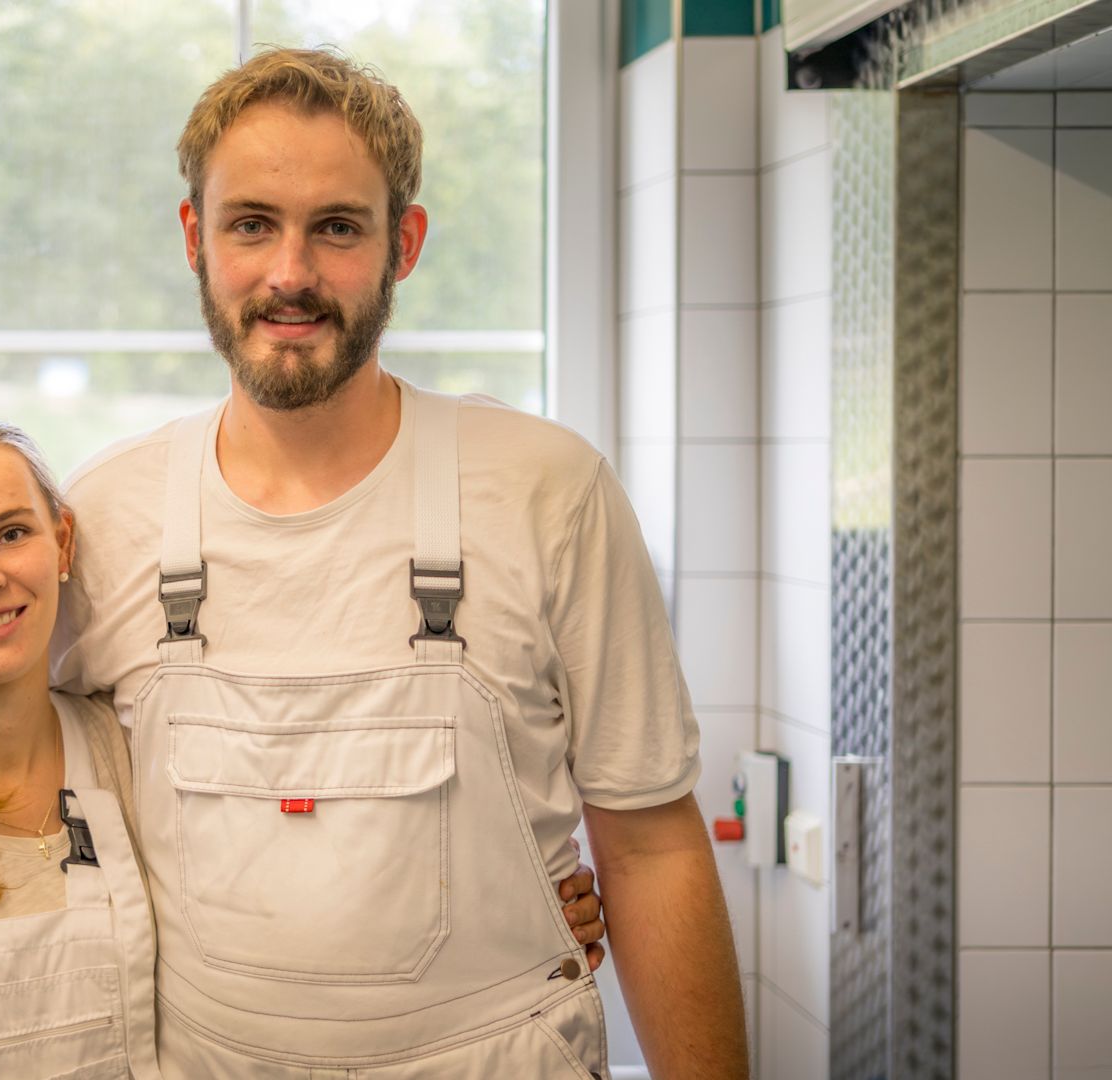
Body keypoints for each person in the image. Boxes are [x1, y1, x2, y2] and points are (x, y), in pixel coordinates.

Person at [51, 48, 749, 1078]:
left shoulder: (547, 492)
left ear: (402, 243)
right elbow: (14, 800)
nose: (291, 273)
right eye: (253, 224)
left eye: (336, 227)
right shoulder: (105, 514)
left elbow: (648, 845)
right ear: (196, 237)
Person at [0, 410, 608, 1079]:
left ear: (61, 543)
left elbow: (286, 864)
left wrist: (516, 907)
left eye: (10, 533)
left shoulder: (122, 755)